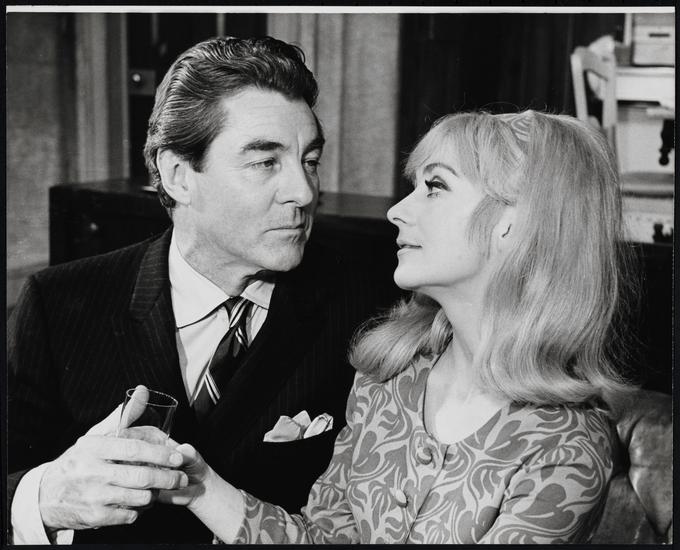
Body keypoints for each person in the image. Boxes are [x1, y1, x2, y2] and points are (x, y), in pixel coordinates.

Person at [156, 110, 637, 544]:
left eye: (435, 186)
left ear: (512, 222)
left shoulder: (569, 444)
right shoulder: (387, 376)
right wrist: (197, 483)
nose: (397, 210)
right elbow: (326, 539)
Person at [7, 36, 396, 544]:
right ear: (178, 176)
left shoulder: (367, 310)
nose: (303, 192)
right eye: (265, 162)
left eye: (311, 160)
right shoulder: (57, 304)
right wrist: (44, 496)